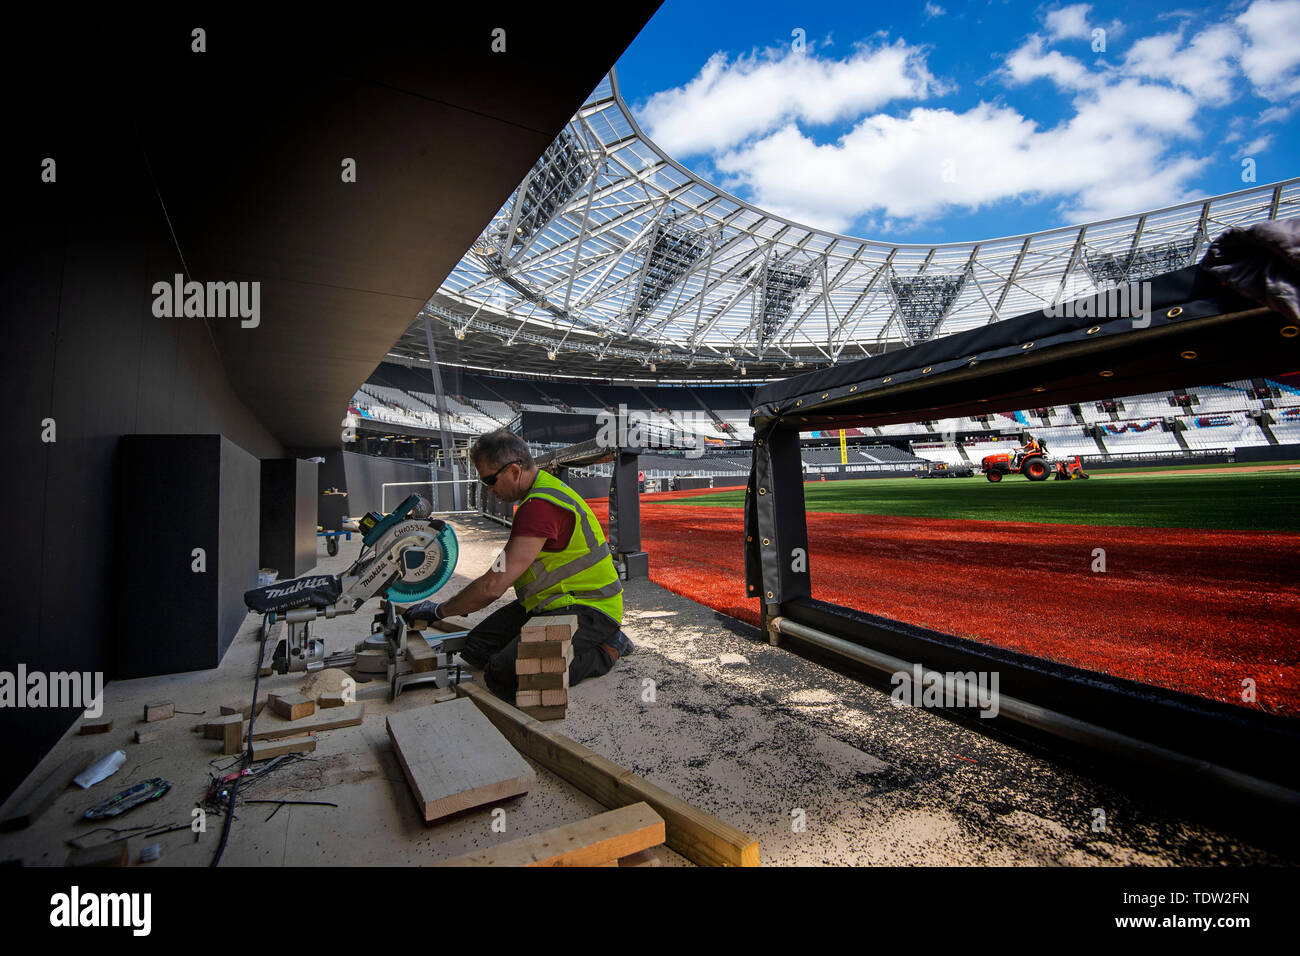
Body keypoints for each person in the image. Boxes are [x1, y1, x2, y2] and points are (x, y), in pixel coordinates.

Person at [403, 429, 633, 701]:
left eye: (490, 479)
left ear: (514, 471)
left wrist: (440, 610)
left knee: (503, 675)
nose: (488, 488)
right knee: (476, 650)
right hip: (551, 601)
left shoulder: (540, 506)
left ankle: (607, 649)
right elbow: (501, 571)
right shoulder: (537, 495)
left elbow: (492, 586)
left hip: (590, 608)